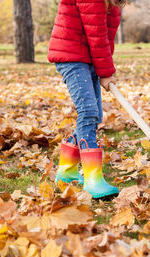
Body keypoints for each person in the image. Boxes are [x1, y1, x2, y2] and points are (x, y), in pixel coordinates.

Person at [48, 0, 125, 198]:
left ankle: (66, 172)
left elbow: (106, 37)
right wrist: (106, 72)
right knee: (88, 112)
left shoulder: (114, 2)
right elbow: (97, 36)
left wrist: (103, 69)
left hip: (88, 56)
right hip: (71, 56)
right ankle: (93, 180)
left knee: (95, 114)